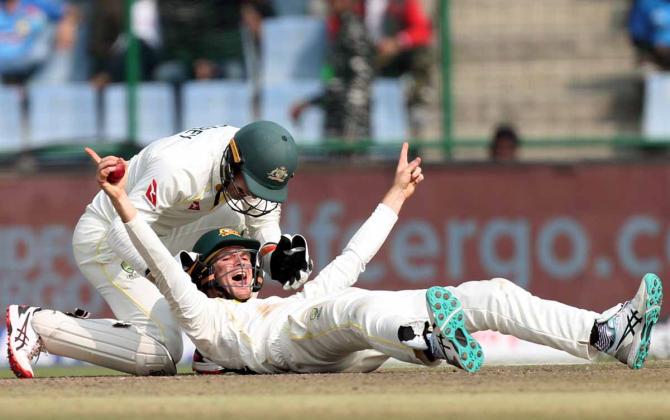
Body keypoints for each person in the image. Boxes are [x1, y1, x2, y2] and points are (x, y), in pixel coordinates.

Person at [7, 144, 664, 377]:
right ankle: (429, 340)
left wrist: (395, 197)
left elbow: (349, 260)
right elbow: (156, 251)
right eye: (223, 259)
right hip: (286, 348)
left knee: (486, 290)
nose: (239, 260)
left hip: (331, 332)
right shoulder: (203, 319)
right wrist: (123, 204)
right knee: (349, 310)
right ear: (201, 275)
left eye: (243, 254)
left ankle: (606, 334)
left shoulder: (282, 297)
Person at [6, 121, 313, 378]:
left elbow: (262, 229)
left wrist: (276, 259)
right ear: (235, 161)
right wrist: (173, 279)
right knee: (163, 353)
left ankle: (220, 347)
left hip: (169, 233)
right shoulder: (179, 168)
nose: (252, 196)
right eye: (248, 187)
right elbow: (120, 234)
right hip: (109, 242)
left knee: (240, 235)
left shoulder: (259, 165)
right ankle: (39, 324)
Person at [290, 0, 374, 145]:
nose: (332, 4)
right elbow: (335, 83)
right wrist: (310, 102)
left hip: (350, 125)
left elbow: (361, 78)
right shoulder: (337, 29)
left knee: (351, 165)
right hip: (335, 119)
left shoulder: (353, 29)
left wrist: (352, 126)